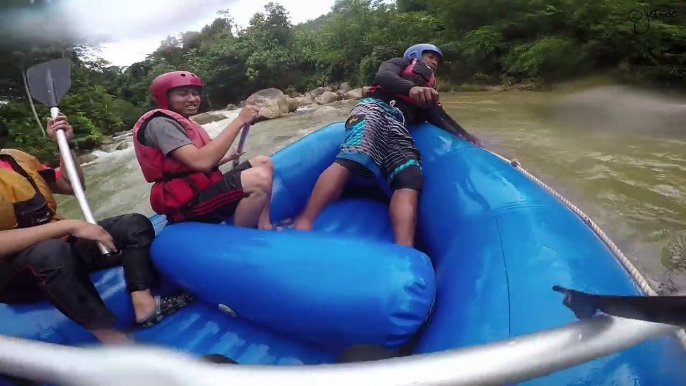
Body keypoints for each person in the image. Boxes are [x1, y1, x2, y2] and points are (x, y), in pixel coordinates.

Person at [0, 115, 189, 345]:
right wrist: (70, 225)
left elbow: (72, 186)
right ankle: (110, 338)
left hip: (60, 246)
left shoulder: (14, 158)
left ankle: (144, 304)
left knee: (132, 225)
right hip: (15, 273)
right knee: (51, 252)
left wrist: (64, 145)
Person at [291, 44, 481, 247]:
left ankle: (404, 248)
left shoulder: (429, 89)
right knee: (355, 156)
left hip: (399, 125)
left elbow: (438, 116)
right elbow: (383, 77)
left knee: (410, 178)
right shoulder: (400, 64)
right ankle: (304, 221)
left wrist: (465, 136)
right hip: (374, 109)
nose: (434, 61)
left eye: (437, 59)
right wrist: (411, 88)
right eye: (430, 56)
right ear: (416, 55)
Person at [132, 71, 276, 229]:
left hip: (201, 189)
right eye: (183, 94)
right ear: (164, 97)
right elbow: (201, 162)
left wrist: (227, 158)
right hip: (187, 206)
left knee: (263, 162)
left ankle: (264, 226)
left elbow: (188, 163)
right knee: (259, 179)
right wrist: (240, 120)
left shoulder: (184, 123)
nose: (192, 99)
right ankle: (241, 239)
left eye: (195, 93)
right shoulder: (160, 124)